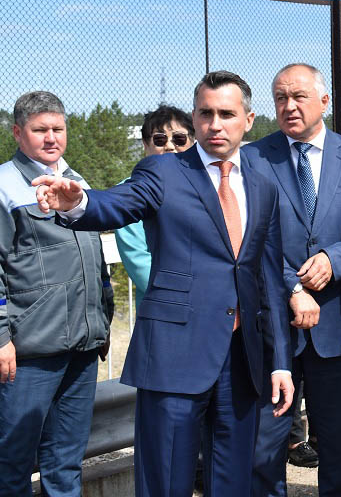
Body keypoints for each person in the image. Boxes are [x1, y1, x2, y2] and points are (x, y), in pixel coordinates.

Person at [34, 71, 295, 497]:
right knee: (165, 482)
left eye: (226, 114)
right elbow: (119, 202)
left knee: (234, 483)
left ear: (248, 120)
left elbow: (269, 277)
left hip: (241, 360)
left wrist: (280, 361)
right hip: (175, 355)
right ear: (194, 117)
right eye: (205, 113)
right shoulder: (163, 170)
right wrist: (79, 201)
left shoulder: (263, 185)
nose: (214, 124)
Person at [245, 63, 341, 497]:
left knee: (338, 441)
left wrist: (336, 258)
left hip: (335, 322)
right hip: (272, 325)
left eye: (299, 96)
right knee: (266, 443)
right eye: (280, 98)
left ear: (324, 101)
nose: (289, 106)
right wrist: (292, 286)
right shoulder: (254, 158)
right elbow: (246, 238)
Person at [0, 91, 114, 497]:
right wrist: (1, 338)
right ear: (18, 133)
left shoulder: (75, 181)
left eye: (58, 129)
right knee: (12, 463)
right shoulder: (4, 186)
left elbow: (95, 260)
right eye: (39, 130)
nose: (51, 138)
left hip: (82, 348)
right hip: (29, 353)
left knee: (65, 462)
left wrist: (101, 322)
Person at [115, 105, 195, 308]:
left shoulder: (209, 187)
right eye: (160, 139)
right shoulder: (131, 194)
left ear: (193, 142)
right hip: (164, 308)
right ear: (145, 144)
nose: (169, 146)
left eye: (179, 139)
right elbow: (140, 264)